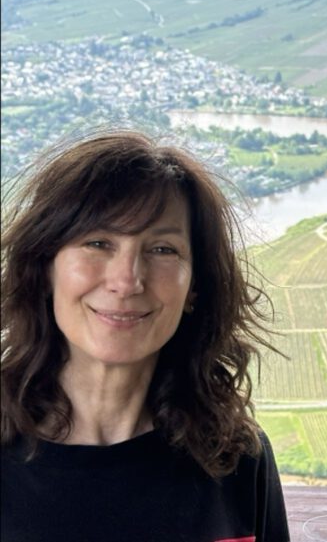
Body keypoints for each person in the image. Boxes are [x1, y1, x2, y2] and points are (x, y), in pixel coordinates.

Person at [1, 130, 290, 541]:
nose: (127, 281)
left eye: (162, 249)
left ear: (194, 287)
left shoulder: (236, 457)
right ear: (46, 268)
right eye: (98, 242)